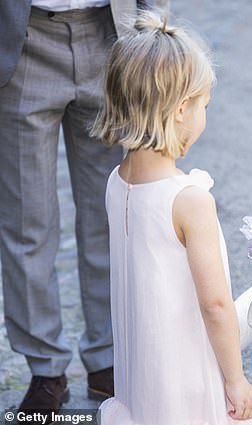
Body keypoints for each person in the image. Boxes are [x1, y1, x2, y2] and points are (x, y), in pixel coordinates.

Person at [0, 0, 167, 417]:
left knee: (114, 216)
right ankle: (45, 369)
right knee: (26, 223)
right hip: (22, 41)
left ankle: (109, 358)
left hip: (111, 37)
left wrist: (149, 28)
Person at [91, 10, 252, 424]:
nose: (204, 114)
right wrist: (235, 379)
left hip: (141, 373)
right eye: (204, 105)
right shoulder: (188, 200)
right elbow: (216, 304)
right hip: (185, 377)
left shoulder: (117, 181)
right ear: (182, 108)